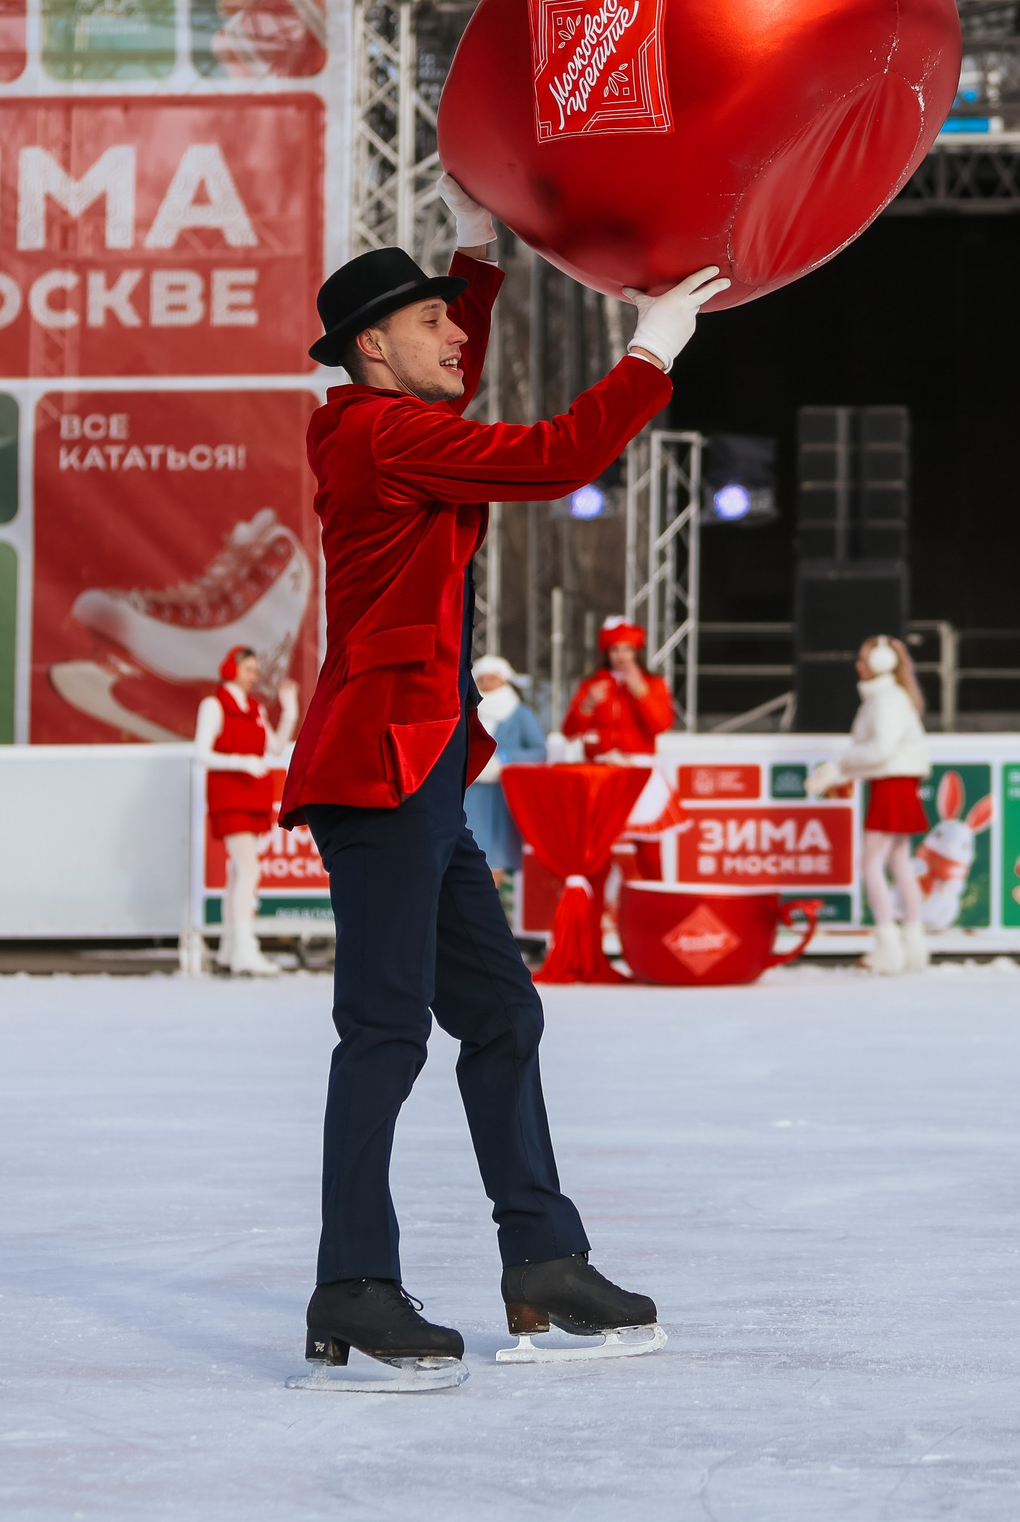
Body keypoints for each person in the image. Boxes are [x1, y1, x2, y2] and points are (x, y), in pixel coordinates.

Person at [276, 171, 725, 1382]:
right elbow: (554, 455)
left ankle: (541, 1263)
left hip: (420, 768)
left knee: (501, 1015)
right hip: (378, 773)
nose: (454, 336)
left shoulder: (388, 420)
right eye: (431, 319)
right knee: (382, 1033)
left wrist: (471, 259)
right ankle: (354, 1285)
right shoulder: (379, 438)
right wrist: (651, 351)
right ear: (373, 346)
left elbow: (457, 391)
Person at [809, 636, 932, 975]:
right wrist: (843, 770)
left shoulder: (886, 702)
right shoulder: (888, 699)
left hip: (892, 784)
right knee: (899, 864)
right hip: (895, 783)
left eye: (863, 659)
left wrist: (841, 766)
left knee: (871, 865)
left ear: (878, 664)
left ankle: (891, 944)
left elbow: (880, 749)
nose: (857, 665)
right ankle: (912, 943)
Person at [196, 646, 297, 978]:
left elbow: (276, 747)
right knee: (249, 871)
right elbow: (201, 753)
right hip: (231, 796)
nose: (254, 675)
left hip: (253, 796)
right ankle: (244, 948)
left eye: (256, 670)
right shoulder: (214, 705)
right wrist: (240, 762)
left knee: (238, 874)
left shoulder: (254, 708)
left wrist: (291, 711)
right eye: (249, 668)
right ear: (232, 667)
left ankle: (229, 948)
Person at [563, 617, 687, 874]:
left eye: (627, 649)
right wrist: (586, 706)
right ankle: (596, 909)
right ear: (606, 652)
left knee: (649, 849)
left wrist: (639, 690)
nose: (621, 656)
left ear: (636, 651)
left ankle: (653, 906)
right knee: (598, 849)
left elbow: (661, 724)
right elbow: (570, 731)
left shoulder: (653, 684)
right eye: (615, 649)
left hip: (640, 773)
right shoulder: (591, 684)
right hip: (602, 773)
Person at [467, 655, 547, 892]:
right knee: (469, 852)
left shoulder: (518, 713)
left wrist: (503, 759)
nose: (487, 684)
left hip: (501, 798)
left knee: (495, 857)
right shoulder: (467, 711)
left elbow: (538, 751)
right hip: (469, 794)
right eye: (481, 679)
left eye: (492, 678)